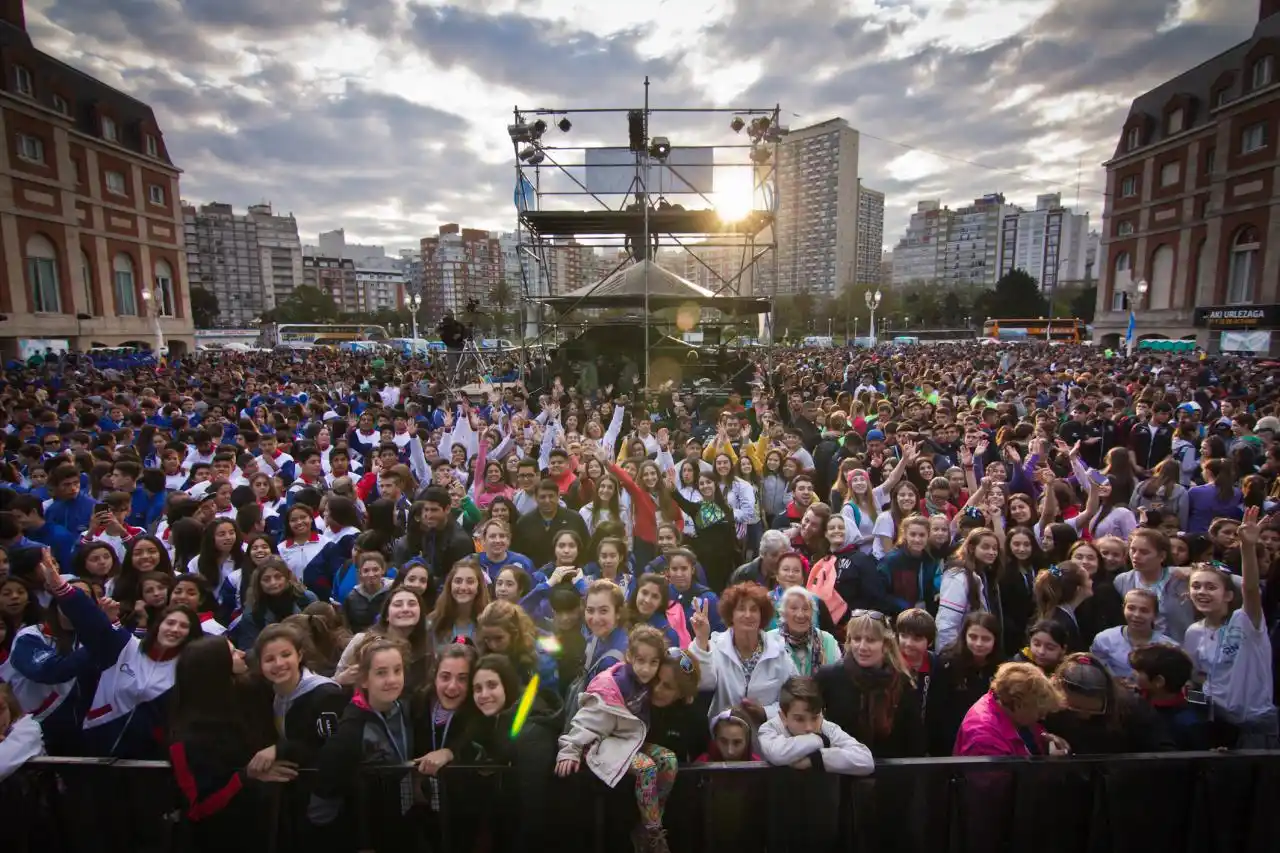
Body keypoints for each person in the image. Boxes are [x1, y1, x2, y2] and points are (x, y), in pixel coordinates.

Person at [557, 625, 675, 853]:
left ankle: (647, 824)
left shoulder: (648, 683)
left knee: (668, 760)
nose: (646, 668)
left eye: (653, 662)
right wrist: (569, 749)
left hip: (630, 742)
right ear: (629, 656)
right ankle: (653, 833)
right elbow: (587, 718)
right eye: (640, 660)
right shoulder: (614, 685)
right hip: (605, 744)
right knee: (647, 768)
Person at [1182, 506, 1277, 747]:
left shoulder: (1245, 621)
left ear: (1227, 595)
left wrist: (1246, 547)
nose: (1202, 592)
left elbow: (1251, 589)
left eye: (1211, 587)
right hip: (1217, 725)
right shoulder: (1193, 632)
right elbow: (1196, 680)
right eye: (1196, 586)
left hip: (1256, 726)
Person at [815, 610, 925, 757]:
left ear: (885, 645)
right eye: (856, 639)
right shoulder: (829, 676)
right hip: (841, 770)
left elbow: (914, 738)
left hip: (890, 772)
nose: (862, 647)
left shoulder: (902, 682)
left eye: (871, 640)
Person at [689, 582, 797, 722]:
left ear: (761, 615)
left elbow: (794, 697)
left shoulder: (778, 650)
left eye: (753, 610)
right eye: (741, 609)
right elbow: (703, 683)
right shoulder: (715, 646)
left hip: (769, 736)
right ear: (731, 615)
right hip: (724, 736)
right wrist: (701, 638)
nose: (747, 615)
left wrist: (765, 712)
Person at [953, 661, 1065, 756]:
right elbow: (1004, 781)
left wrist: (1043, 739)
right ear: (1018, 704)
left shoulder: (1004, 703)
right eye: (1039, 712)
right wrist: (1051, 765)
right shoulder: (985, 739)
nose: (1043, 717)